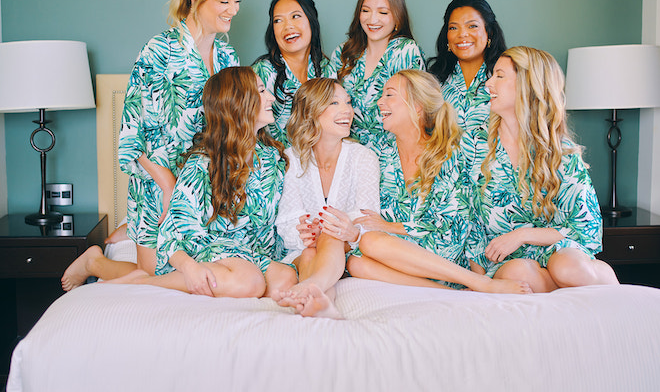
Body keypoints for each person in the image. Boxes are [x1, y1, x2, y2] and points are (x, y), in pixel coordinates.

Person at [61, 0, 244, 290]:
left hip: (204, 183)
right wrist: (168, 185)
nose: (233, 9)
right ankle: (95, 260)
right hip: (158, 179)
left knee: (188, 276)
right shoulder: (159, 50)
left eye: (237, 1)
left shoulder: (228, 58)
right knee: (154, 278)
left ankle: (125, 233)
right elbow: (132, 135)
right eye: (224, 0)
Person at [108, 67, 297, 298]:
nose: (270, 98)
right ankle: (145, 282)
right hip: (208, 250)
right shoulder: (203, 164)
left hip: (251, 252)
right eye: (260, 91)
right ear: (237, 102)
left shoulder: (271, 157)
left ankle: (151, 279)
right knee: (250, 283)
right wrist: (190, 269)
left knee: (286, 279)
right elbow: (171, 232)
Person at [346, 70, 530, 294]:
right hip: (398, 254)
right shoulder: (378, 151)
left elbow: (452, 226)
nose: (379, 102)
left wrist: (389, 227)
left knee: (371, 242)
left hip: (442, 251)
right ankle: (452, 295)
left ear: (416, 106)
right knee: (356, 263)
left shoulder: (448, 153)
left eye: (389, 95)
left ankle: (480, 282)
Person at [465, 46, 619, 292]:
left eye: (499, 76)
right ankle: (572, 295)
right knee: (519, 273)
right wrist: (479, 283)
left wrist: (521, 235)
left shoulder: (562, 152)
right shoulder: (474, 145)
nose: (488, 84)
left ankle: (606, 292)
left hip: (559, 252)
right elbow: (467, 220)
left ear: (527, 85)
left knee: (569, 268)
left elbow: (584, 226)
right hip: (504, 263)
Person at [273, 78, 380, 318]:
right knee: (311, 252)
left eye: (348, 102)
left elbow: (367, 217)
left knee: (331, 236)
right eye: (334, 103)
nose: (347, 111)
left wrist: (329, 231)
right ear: (311, 111)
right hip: (304, 253)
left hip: (348, 250)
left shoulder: (363, 158)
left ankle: (307, 288)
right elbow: (287, 220)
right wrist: (304, 233)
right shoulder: (292, 158)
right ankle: (323, 303)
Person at [330, 0, 425, 149]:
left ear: (398, 16)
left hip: (392, 154)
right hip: (347, 153)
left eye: (383, 12)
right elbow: (325, 107)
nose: (372, 19)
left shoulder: (405, 51)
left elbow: (416, 114)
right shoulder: (343, 53)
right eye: (366, 10)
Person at [252, 0, 335, 146]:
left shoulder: (327, 70)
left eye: (295, 16)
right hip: (273, 164)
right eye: (278, 20)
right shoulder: (262, 72)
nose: (288, 26)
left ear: (311, 21)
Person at [427, 0, 506, 131]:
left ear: (490, 33)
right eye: (453, 28)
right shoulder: (434, 80)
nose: (462, 34)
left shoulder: (506, 77)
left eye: (472, 26)